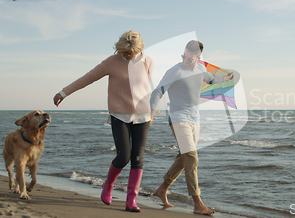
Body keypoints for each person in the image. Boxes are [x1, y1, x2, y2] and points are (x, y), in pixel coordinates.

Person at [53, 30, 154, 212]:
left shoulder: (148, 61)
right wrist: (64, 92)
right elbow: (87, 78)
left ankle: (131, 200)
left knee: (138, 158)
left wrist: (152, 112)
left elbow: (150, 88)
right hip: (119, 115)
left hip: (142, 116)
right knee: (123, 156)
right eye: (124, 52)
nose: (127, 55)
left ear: (139, 49)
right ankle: (108, 185)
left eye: (130, 52)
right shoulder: (111, 62)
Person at [150, 40, 233, 215]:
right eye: (185, 56)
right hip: (178, 118)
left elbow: (211, 79)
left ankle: (162, 189)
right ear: (184, 53)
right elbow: (158, 91)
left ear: (198, 57)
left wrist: (226, 78)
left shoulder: (201, 69)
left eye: (191, 58)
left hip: (195, 120)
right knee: (192, 158)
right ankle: (198, 203)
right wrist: (151, 112)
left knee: (184, 158)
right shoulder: (175, 71)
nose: (187, 60)